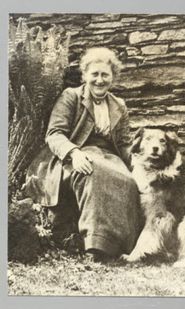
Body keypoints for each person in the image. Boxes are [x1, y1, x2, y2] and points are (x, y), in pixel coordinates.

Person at [30, 47, 140, 261]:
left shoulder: (119, 106)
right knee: (93, 172)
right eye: (94, 74)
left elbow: (126, 144)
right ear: (85, 76)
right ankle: (96, 246)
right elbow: (54, 134)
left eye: (105, 75)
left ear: (113, 77)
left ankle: (122, 247)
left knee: (129, 181)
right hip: (72, 155)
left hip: (110, 156)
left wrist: (139, 165)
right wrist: (74, 153)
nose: (99, 80)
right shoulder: (71, 97)